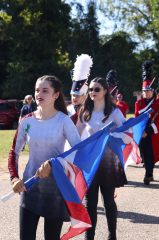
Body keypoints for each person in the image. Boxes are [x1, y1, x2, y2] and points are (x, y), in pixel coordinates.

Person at [8, 75, 81, 240]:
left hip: (55, 190)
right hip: (29, 188)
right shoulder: (27, 121)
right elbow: (14, 151)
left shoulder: (64, 121)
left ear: (56, 95)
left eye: (45, 90)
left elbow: (78, 151)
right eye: (37, 90)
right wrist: (14, 178)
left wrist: (54, 164)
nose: (39, 93)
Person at [77, 77, 127, 240]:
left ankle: (112, 235)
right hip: (89, 164)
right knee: (89, 203)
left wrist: (112, 134)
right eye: (90, 89)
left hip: (107, 162)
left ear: (105, 91)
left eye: (96, 89)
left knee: (108, 202)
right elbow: (75, 136)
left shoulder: (114, 112)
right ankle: (88, 236)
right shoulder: (85, 111)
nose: (92, 92)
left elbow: (127, 134)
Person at [134, 60, 155, 185]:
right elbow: (137, 117)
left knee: (149, 154)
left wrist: (148, 131)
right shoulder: (139, 103)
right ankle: (148, 171)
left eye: (148, 91)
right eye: (144, 91)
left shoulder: (157, 103)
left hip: (152, 132)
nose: (146, 93)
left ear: (152, 91)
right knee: (143, 152)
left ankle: (148, 174)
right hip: (141, 131)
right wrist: (141, 131)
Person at [67, 54, 93, 124]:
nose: (74, 97)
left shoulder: (90, 110)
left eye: (77, 95)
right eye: (73, 95)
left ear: (84, 96)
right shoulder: (67, 109)